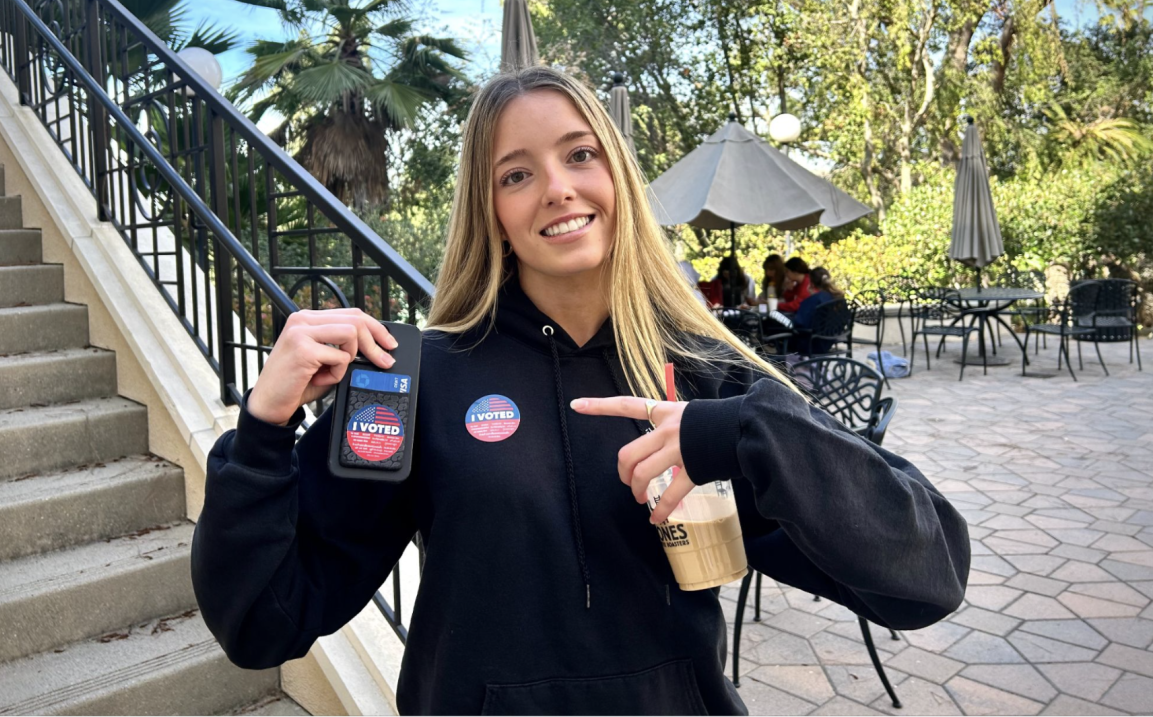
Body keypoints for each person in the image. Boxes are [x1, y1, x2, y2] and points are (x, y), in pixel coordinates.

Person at [191, 66, 970, 715]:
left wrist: (746, 434)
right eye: (518, 174)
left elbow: (924, 580)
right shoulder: (405, 379)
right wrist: (264, 429)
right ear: (492, 211)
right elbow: (263, 622)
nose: (557, 189)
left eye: (580, 155)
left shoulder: (707, 377)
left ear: (618, 178)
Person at [789, 266, 844, 354]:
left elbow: (800, 324)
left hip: (811, 344)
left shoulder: (812, 300)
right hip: (830, 341)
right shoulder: (838, 298)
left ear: (811, 284)